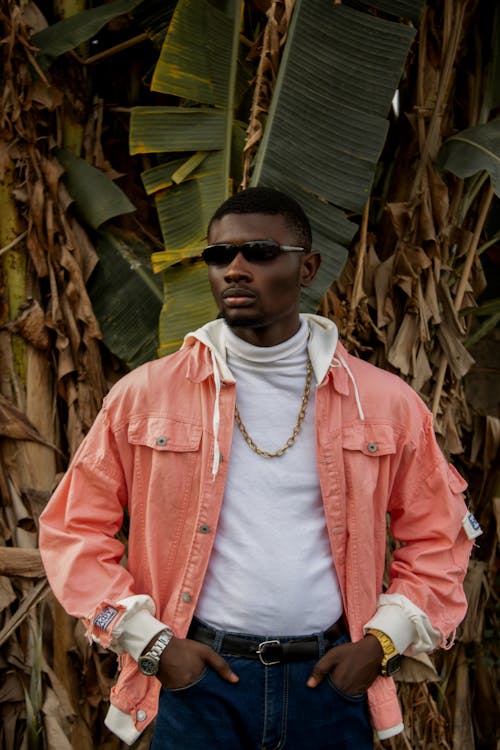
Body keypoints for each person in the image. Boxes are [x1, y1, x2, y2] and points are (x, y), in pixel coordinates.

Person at [39, 187, 478, 749]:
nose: (236, 269)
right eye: (220, 256)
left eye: (261, 252)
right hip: (197, 680)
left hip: (331, 681)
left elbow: (441, 536)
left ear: (308, 267)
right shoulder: (145, 396)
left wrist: (382, 644)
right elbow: (72, 530)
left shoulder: (384, 402)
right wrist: (151, 642)